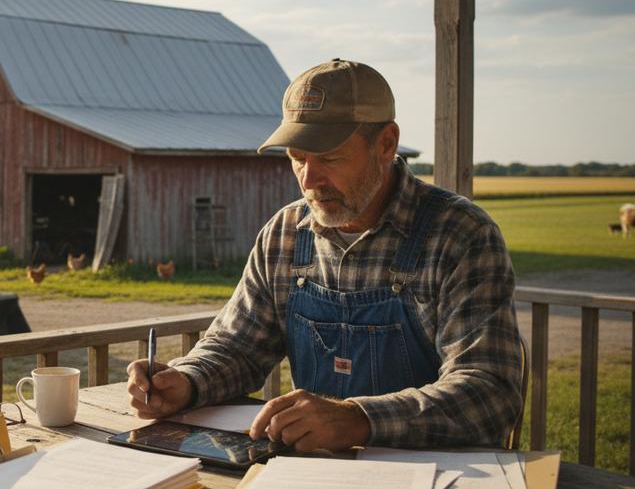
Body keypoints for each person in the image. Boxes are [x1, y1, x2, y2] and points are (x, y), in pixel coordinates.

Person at [128, 59, 523, 451]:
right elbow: (237, 346)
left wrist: (360, 420)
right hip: (312, 477)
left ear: (386, 143)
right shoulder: (283, 234)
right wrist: (187, 381)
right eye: (297, 158)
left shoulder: (460, 236)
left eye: (330, 158)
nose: (309, 180)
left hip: (436, 487)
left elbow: (488, 392)